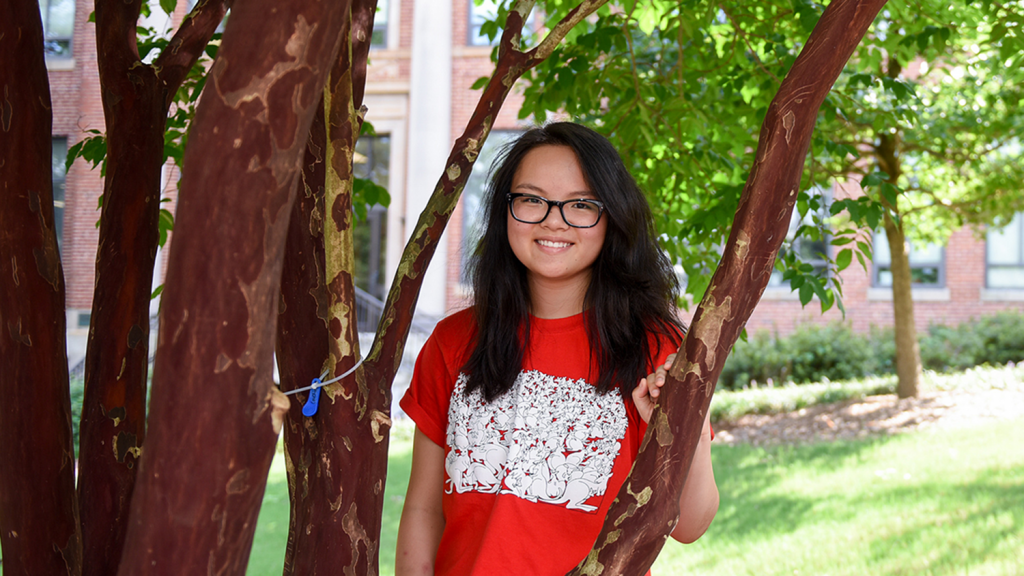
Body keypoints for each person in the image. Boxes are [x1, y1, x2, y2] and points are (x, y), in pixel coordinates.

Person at [395, 123, 718, 576]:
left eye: (581, 205)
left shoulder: (656, 346)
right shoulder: (453, 342)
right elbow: (424, 511)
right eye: (531, 199)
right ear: (505, 210)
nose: (554, 219)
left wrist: (686, 412)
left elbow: (689, 523)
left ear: (612, 216)